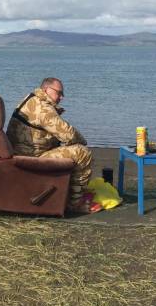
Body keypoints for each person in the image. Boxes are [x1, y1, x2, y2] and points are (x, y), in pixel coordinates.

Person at [6, 77, 93, 213]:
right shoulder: (43, 109)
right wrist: (82, 142)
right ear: (46, 90)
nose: (61, 97)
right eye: (59, 93)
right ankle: (75, 203)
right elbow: (68, 134)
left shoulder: (31, 99)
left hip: (22, 153)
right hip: (30, 158)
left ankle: (67, 191)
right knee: (82, 152)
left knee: (69, 148)